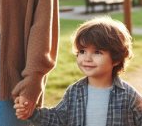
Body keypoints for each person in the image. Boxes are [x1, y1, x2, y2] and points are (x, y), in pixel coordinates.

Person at [14, 16, 142, 126]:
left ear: (116, 59)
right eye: (82, 51)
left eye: (97, 52)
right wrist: (32, 113)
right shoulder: (74, 92)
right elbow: (58, 119)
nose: (87, 58)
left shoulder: (129, 96)